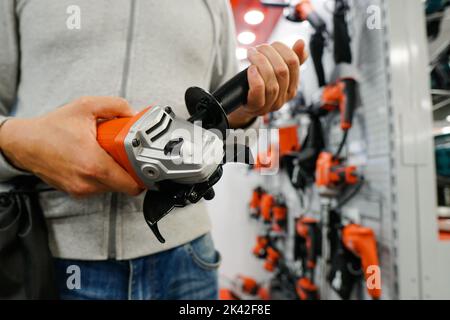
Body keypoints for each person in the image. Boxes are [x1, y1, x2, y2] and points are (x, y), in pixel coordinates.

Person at [0, 0, 307, 300]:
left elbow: (232, 137)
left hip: (188, 259)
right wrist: (15, 141)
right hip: (44, 254)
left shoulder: (214, 4)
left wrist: (248, 111)